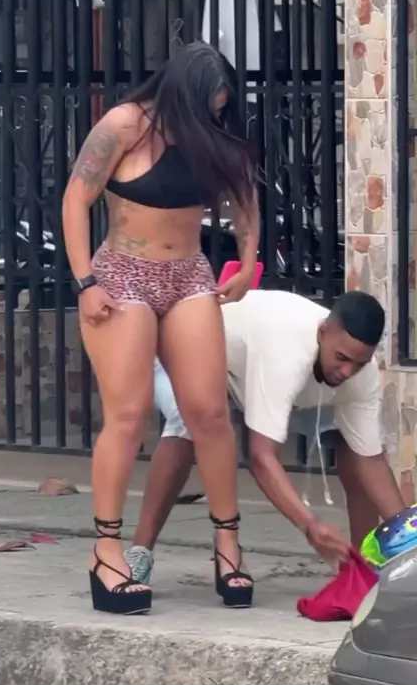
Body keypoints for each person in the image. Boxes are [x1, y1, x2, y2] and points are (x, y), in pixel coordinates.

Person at [62, 42, 260, 615]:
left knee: (209, 413)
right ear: (182, 93)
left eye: (221, 109)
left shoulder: (211, 137)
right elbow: (76, 200)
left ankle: (228, 544)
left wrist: (248, 260)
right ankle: (106, 551)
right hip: (123, 274)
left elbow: (245, 198)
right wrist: (86, 281)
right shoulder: (124, 125)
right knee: (128, 417)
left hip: (189, 274)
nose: (215, 118)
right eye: (209, 107)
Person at [124, 290, 407, 585]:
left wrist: (409, 540)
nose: (348, 371)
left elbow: (371, 461)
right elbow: (261, 458)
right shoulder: (287, 352)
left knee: (354, 448)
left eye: (359, 363)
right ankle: (141, 551)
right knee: (189, 422)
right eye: (342, 358)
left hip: (257, 373)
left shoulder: (361, 376)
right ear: (323, 332)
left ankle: (361, 568)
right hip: (191, 349)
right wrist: (311, 527)